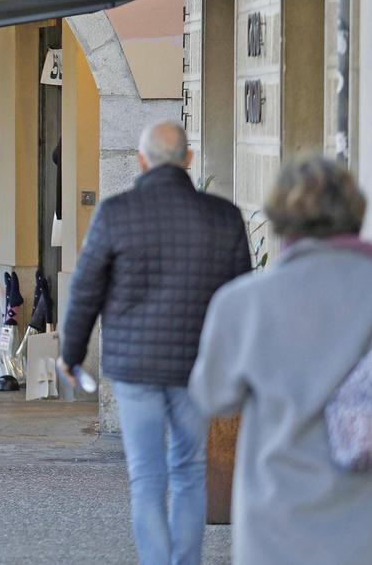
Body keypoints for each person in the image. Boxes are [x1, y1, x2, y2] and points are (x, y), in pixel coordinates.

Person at [60, 121, 251, 565]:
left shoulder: (115, 213)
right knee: (188, 472)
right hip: (196, 368)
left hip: (135, 368)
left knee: (145, 476)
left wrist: (71, 354)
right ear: (188, 159)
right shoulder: (224, 217)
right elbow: (242, 300)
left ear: (141, 160)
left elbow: (86, 289)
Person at [189, 157, 372, 565]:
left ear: (279, 218)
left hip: (276, 522)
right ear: (355, 212)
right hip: (365, 521)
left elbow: (212, 396)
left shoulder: (243, 302)